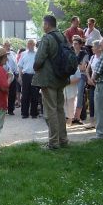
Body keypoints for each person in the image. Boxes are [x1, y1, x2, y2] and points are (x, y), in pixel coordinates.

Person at [32, 15, 70, 149]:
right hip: (61, 77)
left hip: (48, 79)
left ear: (47, 25)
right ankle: (63, 140)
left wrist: (35, 67)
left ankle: (53, 143)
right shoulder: (63, 36)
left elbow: (39, 59)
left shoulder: (47, 38)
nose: (43, 26)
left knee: (51, 110)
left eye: (43, 24)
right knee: (60, 109)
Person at [18, 39, 39, 119]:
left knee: (35, 95)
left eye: (32, 44)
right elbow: (20, 65)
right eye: (29, 44)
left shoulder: (37, 53)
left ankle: (34, 113)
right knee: (25, 94)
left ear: (34, 45)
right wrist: (20, 76)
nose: (30, 45)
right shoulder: (23, 54)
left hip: (35, 75)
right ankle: (24, 113)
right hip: (26, 75)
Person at [85, 40, 102, 129]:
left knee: (100, 103)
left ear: (99, 47)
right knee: (91, 102)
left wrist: (94, 79)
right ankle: (92, 122)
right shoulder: (92, 57)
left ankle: (100, 122)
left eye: (93, 46)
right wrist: (89, 79)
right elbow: (87, 70)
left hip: (100, 83)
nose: (91, 48)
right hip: (92, 83)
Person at [71, 36, 89, 125]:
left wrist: (73, 66)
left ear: (80, 45)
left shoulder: (84, 53)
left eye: (76, 44)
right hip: (72, 76)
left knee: (79, 94)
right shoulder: (70, 53)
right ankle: (71, 116)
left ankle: (77, 117)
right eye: (73, 43)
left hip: (81, 76)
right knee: (71, 95)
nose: (74, 45)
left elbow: (83, 68)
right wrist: (78, 65)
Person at [3, 41, 18, 115]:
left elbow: (15, 64)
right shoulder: (2, 54)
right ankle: (3, 108)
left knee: (12, 93)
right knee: (4, 92)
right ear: (4, 46)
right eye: (7, 45)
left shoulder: (13, 54)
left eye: (9, 45)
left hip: (13, 75)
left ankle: (10, 109)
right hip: (4, 75)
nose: (8, 47)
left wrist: (16, 73)